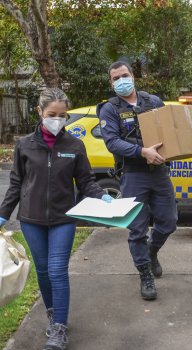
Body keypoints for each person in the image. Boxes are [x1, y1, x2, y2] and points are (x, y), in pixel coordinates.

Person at [0, 88, 113, 350]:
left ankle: (59, 329)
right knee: (42, 271)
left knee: (57, 270)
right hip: (31, 219)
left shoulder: (74, 145)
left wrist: (102, 196)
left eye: (62, 115)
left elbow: (85, 181)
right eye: (52, 114)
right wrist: (4, 214)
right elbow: (16, 183)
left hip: (63, 218)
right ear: (40, 112)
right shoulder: (24, 145)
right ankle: (53, 313)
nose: (57, 119)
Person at [96, 61, 178, 301]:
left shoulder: (153, 102)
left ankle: (151, 253)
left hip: (160, 172)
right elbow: (111, 142)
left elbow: (171, 134)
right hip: (133, 175)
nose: (121, 80)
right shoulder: (109, 109)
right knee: (137, 229)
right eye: (116, 78)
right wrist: (142, 152)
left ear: (133, 76)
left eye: (125, 75)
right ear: (111, 83)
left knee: (169, 222)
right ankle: (145, 275)